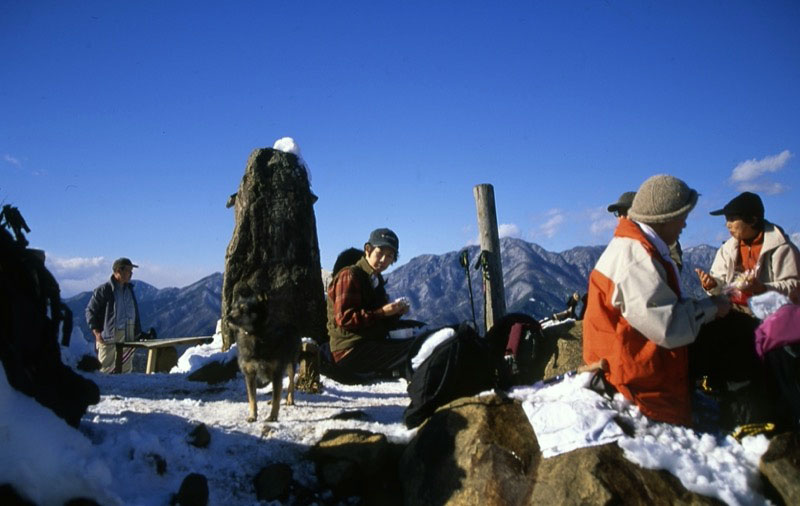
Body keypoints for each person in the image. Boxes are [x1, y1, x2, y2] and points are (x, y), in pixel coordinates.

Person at [584, 175, 730, 425]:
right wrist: (712, 308)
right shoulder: (636, 259)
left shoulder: (638, 246)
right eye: (682, 216)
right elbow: (669, 328)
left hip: (627, 360)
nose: (684, 224)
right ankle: (749, 420)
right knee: (734, 336)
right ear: (665, 218)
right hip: (633, 378)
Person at [691, 191, 800, 388]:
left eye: (733, 219)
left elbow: (794, 286)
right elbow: (722, 282)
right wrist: (712, 285)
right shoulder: (728, 249)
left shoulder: (781, 248)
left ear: (752, 219)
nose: (728, 225)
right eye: (727, 219)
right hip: (735, 311)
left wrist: (762, 288)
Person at [326, 228, 416, 382]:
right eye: (379, 253)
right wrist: (382, 312)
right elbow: (345, 319)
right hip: (349, 351)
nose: (383, 260)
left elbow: (378, 319)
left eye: (389, 256)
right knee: (415, 348)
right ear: (368, 250)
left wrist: (396, 312)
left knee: (418, 333)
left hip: (367, 344)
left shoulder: (375, 278)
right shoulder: (350, 275)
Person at [85, 258, 143, 373]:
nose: (131, 274)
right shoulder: (104, 290)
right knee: (106, 367)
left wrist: (138, 331)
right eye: (128, 270)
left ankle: (125, 389)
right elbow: (90, 311)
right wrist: (96, 332)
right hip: (110, 333)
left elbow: (134, 311)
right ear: (118, 271)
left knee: (126, 367)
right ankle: (105, 390)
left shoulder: (129, 289)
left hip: (129, 332)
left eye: (131, 271)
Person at [608, 190, 683, 271]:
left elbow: (675, 268)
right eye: (618, 213)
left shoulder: (663, 237)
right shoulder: (618, 244)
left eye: (626, 212)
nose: (622, 217)